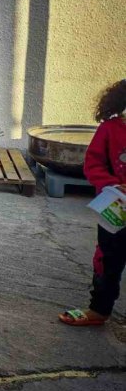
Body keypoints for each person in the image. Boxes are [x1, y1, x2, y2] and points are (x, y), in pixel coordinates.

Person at [58, 79, 126, 326]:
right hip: (116, 208)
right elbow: (93, 165)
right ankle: (99, 309)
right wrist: (112, 184)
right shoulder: (111, 129)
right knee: (108, 258)